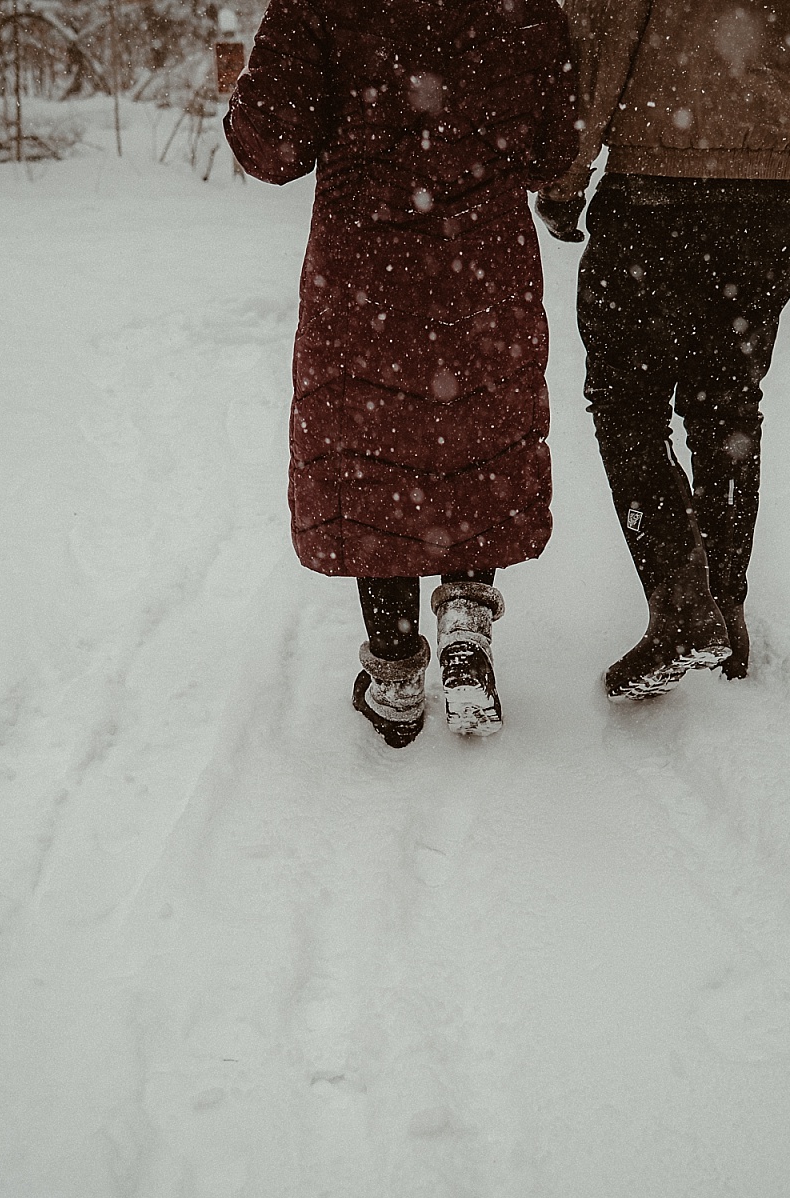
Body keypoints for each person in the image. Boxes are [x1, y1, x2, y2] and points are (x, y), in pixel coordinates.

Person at [536, 0, 790, 700]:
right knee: (726, 399)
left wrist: (567, 170)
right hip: (785, 186)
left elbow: (604, 25)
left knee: (628, 401)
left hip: (662, 167)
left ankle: (684, 610)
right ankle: (726, 614)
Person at [225, 0, 578, 746]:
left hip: (366, 263)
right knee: (474, 428)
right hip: (483, 256)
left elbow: (273, 146)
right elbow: (553, 146)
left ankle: (392, 673)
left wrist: (251, 95)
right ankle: (466, 624)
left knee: (373, 448)